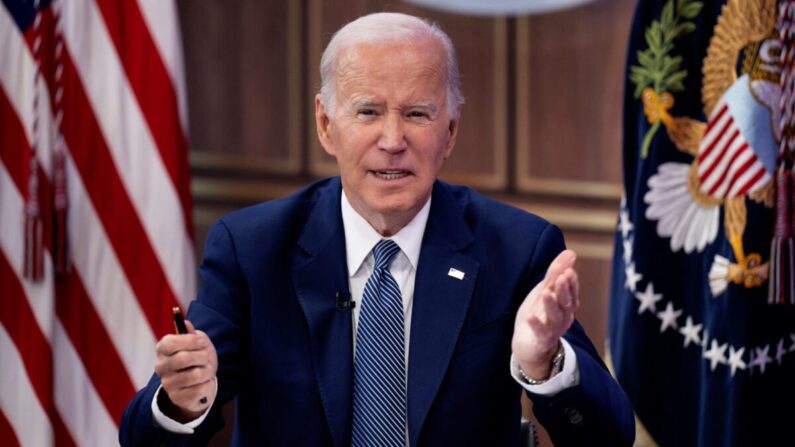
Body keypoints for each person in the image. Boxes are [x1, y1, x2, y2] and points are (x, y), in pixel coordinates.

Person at [119, 12, 634, 446]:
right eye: (368, 112)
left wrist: (544, 366)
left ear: (450, 130)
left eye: (416, 113)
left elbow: (611, 434)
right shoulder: (252, 250)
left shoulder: (518, 248)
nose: (393, 140)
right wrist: (182, 403)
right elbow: (143, 438)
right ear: (326, 125)